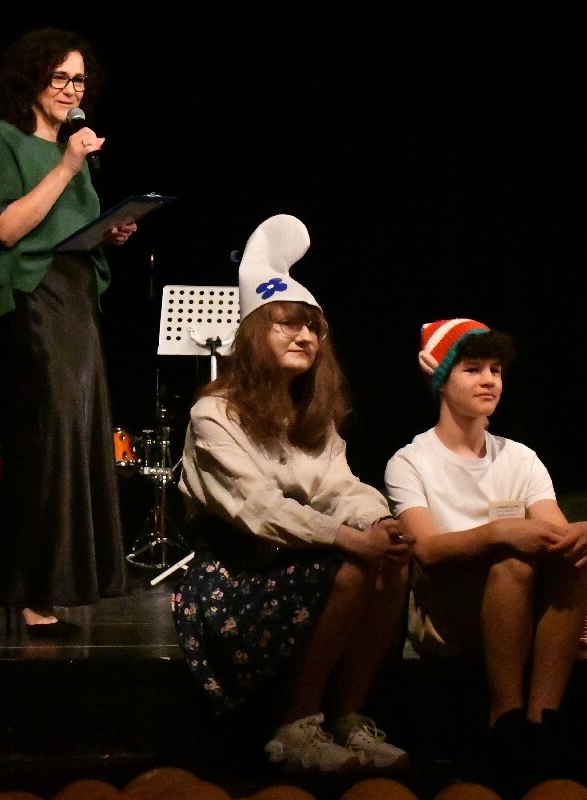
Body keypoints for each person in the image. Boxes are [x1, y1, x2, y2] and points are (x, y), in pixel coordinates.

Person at [384, 319, 587, 794]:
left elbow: (556, 533)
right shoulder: (410, 461)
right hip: (447, 612)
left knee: (567, 560)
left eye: (496, 370)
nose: (489, 380)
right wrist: (502, 533)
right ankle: (506, 718)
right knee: (514, 561)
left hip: (517, 603)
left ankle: (543, 722)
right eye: (473, 369)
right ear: (439, 379)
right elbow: (430, 551)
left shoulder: (520, 458)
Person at [170, 214, 411, 776]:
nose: (304, 337)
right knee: (352, 569)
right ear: (255, 333)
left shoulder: (311, 416)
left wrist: (379, 522)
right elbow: (259, 510)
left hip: (296, 560)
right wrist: (349, 539)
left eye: (312, 329)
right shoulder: (214, 414)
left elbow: (340, 485)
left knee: (392, 561)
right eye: (286, 325)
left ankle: (347, 717)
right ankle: (296, 727)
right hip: (234, 577)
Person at [0, 28, 137, 636]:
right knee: (46, 445)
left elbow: (70, 226)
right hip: (33, 299)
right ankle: (30, 593)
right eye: (60, 77)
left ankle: (62, 587)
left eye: (79, 80)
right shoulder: (2, 140)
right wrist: (68, 164)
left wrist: (109, 232)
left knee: (79, 444)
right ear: (32, 79)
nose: (71, 90)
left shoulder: (75, 153)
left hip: (77, 299)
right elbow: (9, 228)